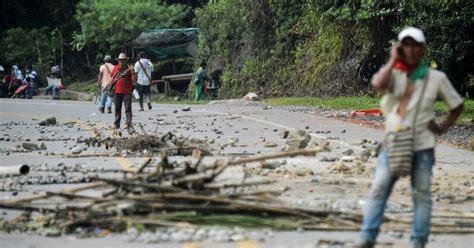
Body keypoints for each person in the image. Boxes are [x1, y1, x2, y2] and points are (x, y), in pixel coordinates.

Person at [357, 27, 464, 248]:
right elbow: (376, 84)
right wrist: (391, 59)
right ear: (400, 47)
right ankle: (367, 238)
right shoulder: (394, 74)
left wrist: (442, 128)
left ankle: (418, 242)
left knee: (422, 194)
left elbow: (457, 105)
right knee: (378, 189)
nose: (411, 50)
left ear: (422, 49)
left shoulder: (436, 78)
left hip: (422, 145)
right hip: (394, 142)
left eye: (415, 45)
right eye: (406, 45)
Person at [110, 53, 134, 129]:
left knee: (128, 108)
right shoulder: (116, 68)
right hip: (117, 91)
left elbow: (134, 80)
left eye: (123, 60)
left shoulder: (129, 68)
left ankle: (128, 123)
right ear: (118, 61)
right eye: (120, 60)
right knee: (117, 108)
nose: (121, 62)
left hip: (127, 91)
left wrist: (132, 72)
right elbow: (112, 78)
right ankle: (116, 124)